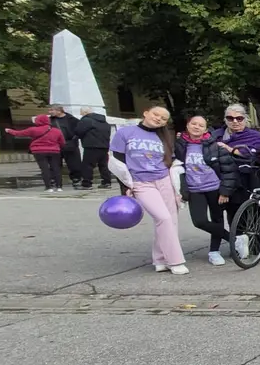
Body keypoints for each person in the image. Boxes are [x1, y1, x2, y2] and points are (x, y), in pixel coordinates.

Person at [110, 106, 187, 274]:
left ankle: (160, 259)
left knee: (171, 221)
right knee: (163, 218)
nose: (159, 118)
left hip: (164, 179)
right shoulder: (125, 133)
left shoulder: (165, 136)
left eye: (163, 118)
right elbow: (117, 161)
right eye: (156, 114)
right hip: (141, 182)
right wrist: (125, 185)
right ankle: (175, 261)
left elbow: (171, 159)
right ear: (146, 113)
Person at [175, 116, 238, 266]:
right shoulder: (180, 145)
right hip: (194, 189)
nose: (197, 127)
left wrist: (225, 191)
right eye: (194, 124)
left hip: (214, 188)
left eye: (201, 125)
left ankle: (214, 252)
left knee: (217, 219)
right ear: (187, 125)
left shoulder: (215, 146)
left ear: (205, 129)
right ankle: (234, 239)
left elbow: (229, 170)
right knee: (199, 221)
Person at [213, 103, 260, 233]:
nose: (235, 121)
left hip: (249, 178)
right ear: (225, 119)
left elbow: (252, 154)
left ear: (245, 119)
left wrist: (229, 149)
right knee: (232, 213)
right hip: (225, 179)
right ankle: (236, 239)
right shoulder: (216, 135)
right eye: (230, 118)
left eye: (239, 118)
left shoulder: (255, 136)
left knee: (253, 210)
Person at [5, 114, 66, 192]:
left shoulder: (33, 130)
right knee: (56, 168)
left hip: (39, 151)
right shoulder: (56, 130)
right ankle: (59, 187)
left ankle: (48, 187)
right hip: (54, 151)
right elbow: (62, 142)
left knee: (44, 169)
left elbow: (19, 133)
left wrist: (9, 130)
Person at [74, 107, 112, 189]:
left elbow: (78, 131)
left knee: (87, 165)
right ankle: (107, 182)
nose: (81, 114)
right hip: (104, 146)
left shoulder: (86, 120)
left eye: (81, 113)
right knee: (103, 165)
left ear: (85, 112)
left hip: (91, 146)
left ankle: (87, 184)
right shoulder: (104, 122)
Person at [48, 104, 83, 187]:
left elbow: (80, 130)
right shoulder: (50, 120)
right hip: (55, 145)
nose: (50, 112)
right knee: (54, 163)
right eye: (49, 110)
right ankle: (54, 179)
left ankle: (76, 178)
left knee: (74, 163)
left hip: (70, 144)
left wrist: (74, 139)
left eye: (52, 110)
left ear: (59, 111)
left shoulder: (72, 119)